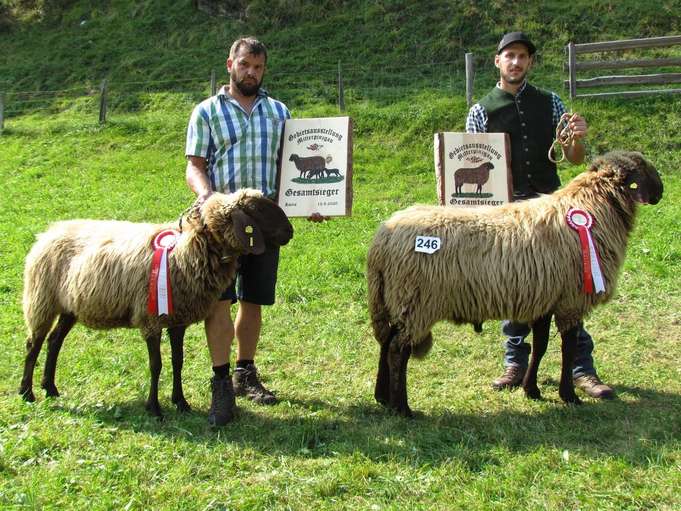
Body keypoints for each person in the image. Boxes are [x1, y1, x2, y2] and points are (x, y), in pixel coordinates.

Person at [465, 31, 614, 400]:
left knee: (570, 288)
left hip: (554, 211)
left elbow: (576, 157)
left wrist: (577, 137)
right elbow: (467, 161)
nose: (516, 62)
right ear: (497, 61)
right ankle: (516, 360)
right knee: (516, 284)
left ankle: (581, 366)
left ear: (530, 62)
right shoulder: (480, 111)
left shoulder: (551, 102)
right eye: (509, 56)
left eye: (522, 56)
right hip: (509, 213)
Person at [185, 37, 324, 426]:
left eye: (259, 68)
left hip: (262, 224)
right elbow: (194, 165)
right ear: (230, 63)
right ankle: (220, 383)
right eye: (245, 65)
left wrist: (309, 201)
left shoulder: (279, 112)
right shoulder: (207, 112)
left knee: (253, 300)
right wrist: (207, 195)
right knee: (219, 301)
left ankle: (245, 372)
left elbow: (292, 171)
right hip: (220, 226)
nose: (252, 73)